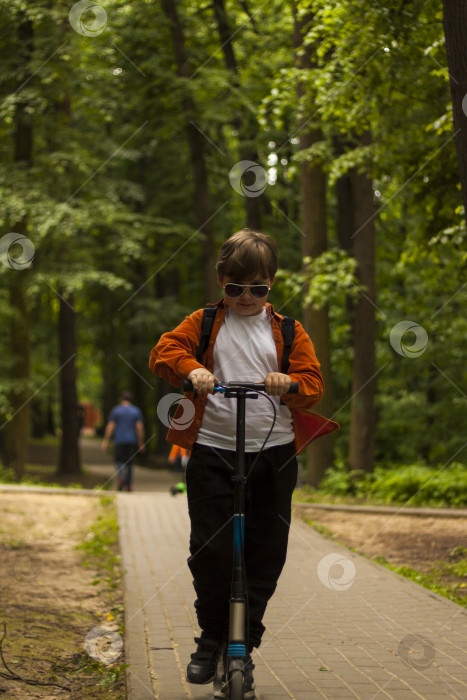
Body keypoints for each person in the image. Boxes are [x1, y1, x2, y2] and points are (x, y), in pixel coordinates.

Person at [149, 229, 327, 698]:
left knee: (266, 551)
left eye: (258, 289)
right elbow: (164, 351)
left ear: (271, 285)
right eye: (235, 288)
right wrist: (193, 370)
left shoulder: (289, 331)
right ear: (221, 282)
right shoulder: (205, 322)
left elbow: (313, 385)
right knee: (211, 549)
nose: (246, 298)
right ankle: (211, 640)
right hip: (211, 448)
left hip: (274, 453)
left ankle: (243, 645)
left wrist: (287, 382)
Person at [101, 391, 145, 491]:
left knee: (118, 461)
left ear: (121, 399)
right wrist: (141, 442)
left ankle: (121, 476)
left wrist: (106, 440)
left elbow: (111, 425)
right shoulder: (136, 411)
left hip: (119, 440)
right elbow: (139, 427)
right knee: (130, 463)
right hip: (131, 440)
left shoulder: (116, 410)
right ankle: (128, 485)